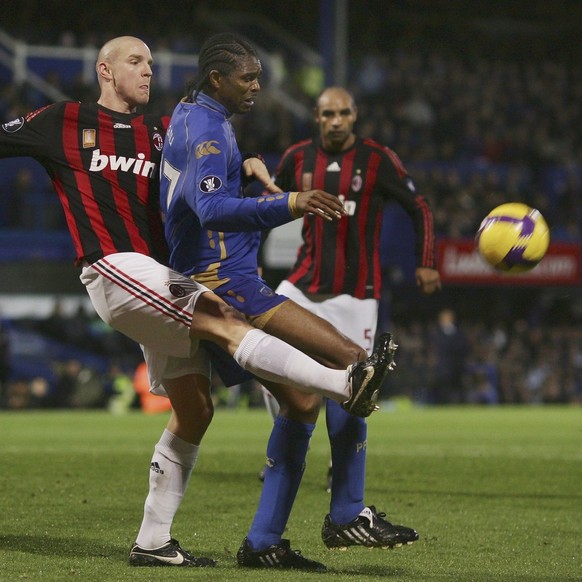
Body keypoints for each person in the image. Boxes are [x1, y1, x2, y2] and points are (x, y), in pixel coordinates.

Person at [0, 36, 395, 569]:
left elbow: (203, 170)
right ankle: (344, 383)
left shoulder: (162, 130)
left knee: (195, 408)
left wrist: (246, 163)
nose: (147, 69)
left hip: (164, 277)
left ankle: (153, 542)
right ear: (104, 70)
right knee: (225, 318)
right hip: (114, 265)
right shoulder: (64, 120)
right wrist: (284, 201)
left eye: (149, 61)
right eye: (134, 61)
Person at [160, 33, 414, 572]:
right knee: (352, 360)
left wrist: (250, 179)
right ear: (217, 79)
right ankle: (347, 512)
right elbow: (209, 210)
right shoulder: (205, 127)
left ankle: (262, 542)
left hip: (215, 277)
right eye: (248, 77)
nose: (257, 85)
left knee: (302, 403)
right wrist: (287, 201)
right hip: (224, 282)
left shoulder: (192, 115)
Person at [259, 86, 442, 547]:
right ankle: (287, 447)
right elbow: (262, 204)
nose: (336, 121)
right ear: (316, 118)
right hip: (300, 287)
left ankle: (342, 499)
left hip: (357, 295)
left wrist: (427, 259)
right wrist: (249, 259)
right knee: (261, 359)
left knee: (355, 390)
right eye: (327, 114)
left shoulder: (377, 159)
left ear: (354, 116)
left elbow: (418, 206)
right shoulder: (297, 157)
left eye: (343, 113)